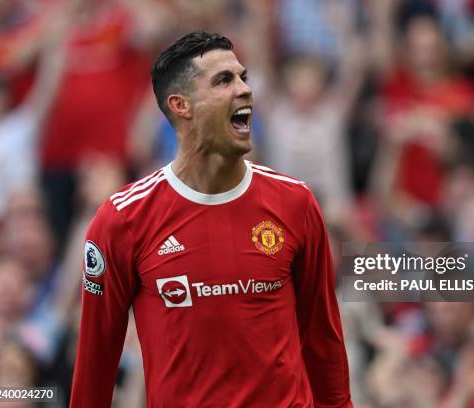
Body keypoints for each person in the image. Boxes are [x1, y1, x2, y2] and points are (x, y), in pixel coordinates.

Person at [70, 31, 352, 407]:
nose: (245, 90)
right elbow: (95, 368)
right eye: (223, 80)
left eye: (243, 77)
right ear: (181, 105)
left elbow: (324, 345)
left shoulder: (295, 202)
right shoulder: (122, 220)